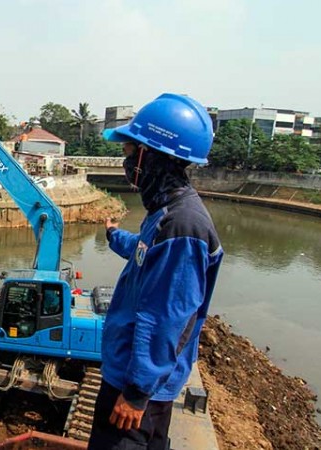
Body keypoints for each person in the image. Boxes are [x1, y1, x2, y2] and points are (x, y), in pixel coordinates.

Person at [87, 93, 223, 450]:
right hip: (131, 375)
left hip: (136, 390)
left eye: (130, 152)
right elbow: (144, 255)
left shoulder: (182, 225)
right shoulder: (165, 212)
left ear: (149, 154)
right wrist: (115, 236)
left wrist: (135, 394)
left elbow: (167, 317)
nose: (126, 162)